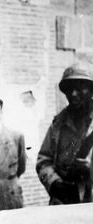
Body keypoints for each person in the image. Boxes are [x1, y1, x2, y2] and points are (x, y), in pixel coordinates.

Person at [37, 62, 93, 204]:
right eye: (69, 89)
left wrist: (89, 170)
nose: (73, 94)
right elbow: (44, 160)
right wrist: (54, 183)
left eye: (80, 88)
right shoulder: (58, 123)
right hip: (63, 201)